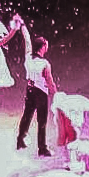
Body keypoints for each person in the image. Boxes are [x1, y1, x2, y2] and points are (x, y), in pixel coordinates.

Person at [16, 26, 56, 156]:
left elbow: (27, 41)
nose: (47, 47)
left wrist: (23, 27)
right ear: (42, 47)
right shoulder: (44, 63)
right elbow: (50, 81)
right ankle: (42, 148)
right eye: (46, 45)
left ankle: (20, 140)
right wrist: (56, 94)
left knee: (27, 116)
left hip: (30, 90)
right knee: (42, 121)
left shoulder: (28, 57)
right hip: (40, 93)